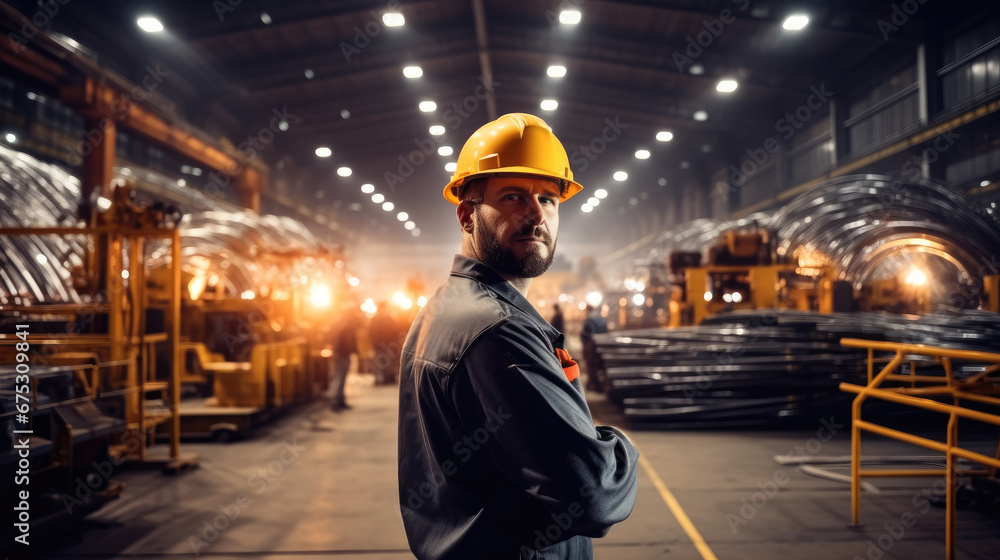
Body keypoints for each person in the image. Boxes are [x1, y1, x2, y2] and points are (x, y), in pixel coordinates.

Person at [397, 113, 639, 560]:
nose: (535, 214)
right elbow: (594, 495)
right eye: (513, 197)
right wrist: (620, 447)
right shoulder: (497, 331)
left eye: (548, 199)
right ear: (467, 215)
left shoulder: (444, 307)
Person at [330, 309, 358, 411]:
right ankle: (336, 400)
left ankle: (339, 400)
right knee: (340, 378)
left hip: (341, 354)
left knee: (340, 378)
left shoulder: (340, 324)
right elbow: (342, 341)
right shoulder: (344, 325)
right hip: (342, 355)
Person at [580, 304, 609, 392]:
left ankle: (596, 386)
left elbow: (586, 334)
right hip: (603, 345)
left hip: (591, 346)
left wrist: (584, 341)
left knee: (591, 366)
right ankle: (596, 384)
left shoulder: (590, 320)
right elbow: (607, 332)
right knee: (599, 366)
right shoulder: (602, 319)